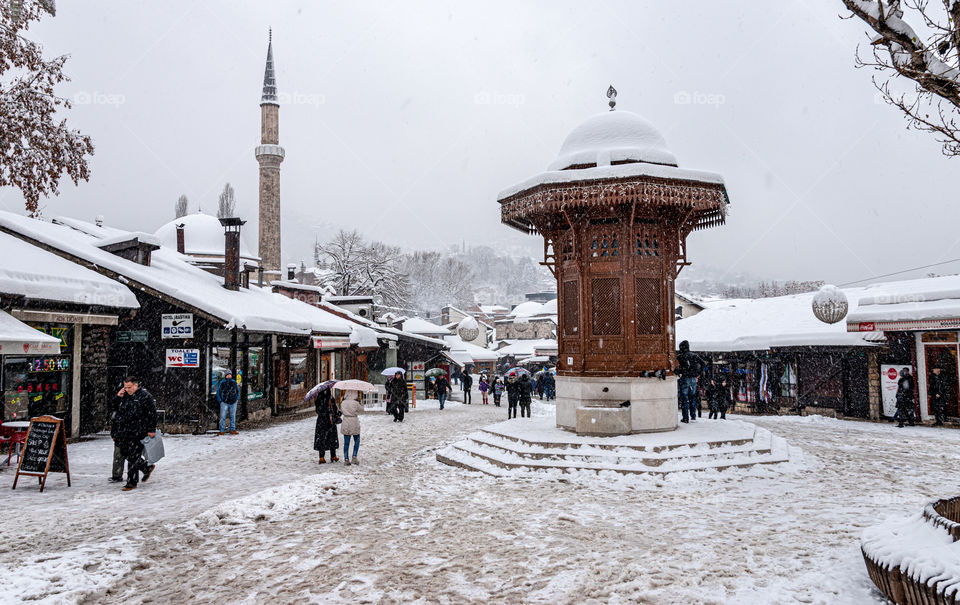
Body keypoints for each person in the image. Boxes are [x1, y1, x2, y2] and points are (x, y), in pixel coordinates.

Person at [112, 376, 157, 491]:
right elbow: (115, 410)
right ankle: (146, 467)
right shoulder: (124, 395)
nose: (127, 389)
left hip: (138, 430)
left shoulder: (145, 396)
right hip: (124, 430)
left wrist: (151, 429)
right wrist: (118, 397)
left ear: (136, 385)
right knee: (124, 452)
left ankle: (131, 482)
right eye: (125, 387)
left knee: (133, 455)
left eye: (129, 387)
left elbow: (152, 414)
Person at [676, 340, 704, 424]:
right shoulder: (694, 356)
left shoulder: (680, 356)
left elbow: (676, 368)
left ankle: (685, 417)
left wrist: (680, 372)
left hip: (685, 378)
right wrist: (698, 373)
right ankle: (693, 415)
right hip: (693, 378)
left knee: (684, 398)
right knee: (692, 397)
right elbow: (703, 363)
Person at [313, 389, 340, 463]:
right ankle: (333, 456)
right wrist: (337, 414)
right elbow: (335, 409)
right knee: (332, 438)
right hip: (329, 421)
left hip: (321, 421)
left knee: (321, 438)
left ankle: (321, 457)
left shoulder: (318, 398)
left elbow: (317, 411)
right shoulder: (330, 398)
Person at [340, 390, 363, 466]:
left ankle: (346, 459)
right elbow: (362, 410)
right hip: (354, 422)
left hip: (346, 421)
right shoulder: (356, 403)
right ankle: (354, 456)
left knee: (346, 442)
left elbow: (342, 410)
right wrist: (359, 402)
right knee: (357, 440)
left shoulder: (343, 403)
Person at [216, 371, 241, 436]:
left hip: (233, 402)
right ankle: (221, 430)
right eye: (228, 375)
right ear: (225, 376)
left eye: (230, 375)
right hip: (224, 402)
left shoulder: (234, 382)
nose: (229, 376)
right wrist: (220, 400)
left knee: (232, 416)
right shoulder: (222, 382)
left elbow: (237, 391)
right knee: (222, 416)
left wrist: (237, 398)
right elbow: (218, 391)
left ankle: (232, 429)